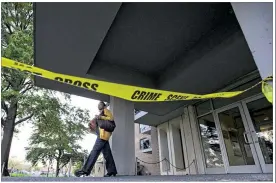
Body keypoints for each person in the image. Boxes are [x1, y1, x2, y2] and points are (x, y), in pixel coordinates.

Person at [75, 101, 117, 177]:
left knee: (94, 151)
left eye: (100, 104)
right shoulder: (101, 113)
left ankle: (85, 170)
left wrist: (100, 117)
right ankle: (112, 171)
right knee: (107, 154)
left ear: (103, 106)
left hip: (102, 136)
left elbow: (111, 118)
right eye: (98, 105)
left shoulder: (106, 111)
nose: (99, 105)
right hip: (102, 136)